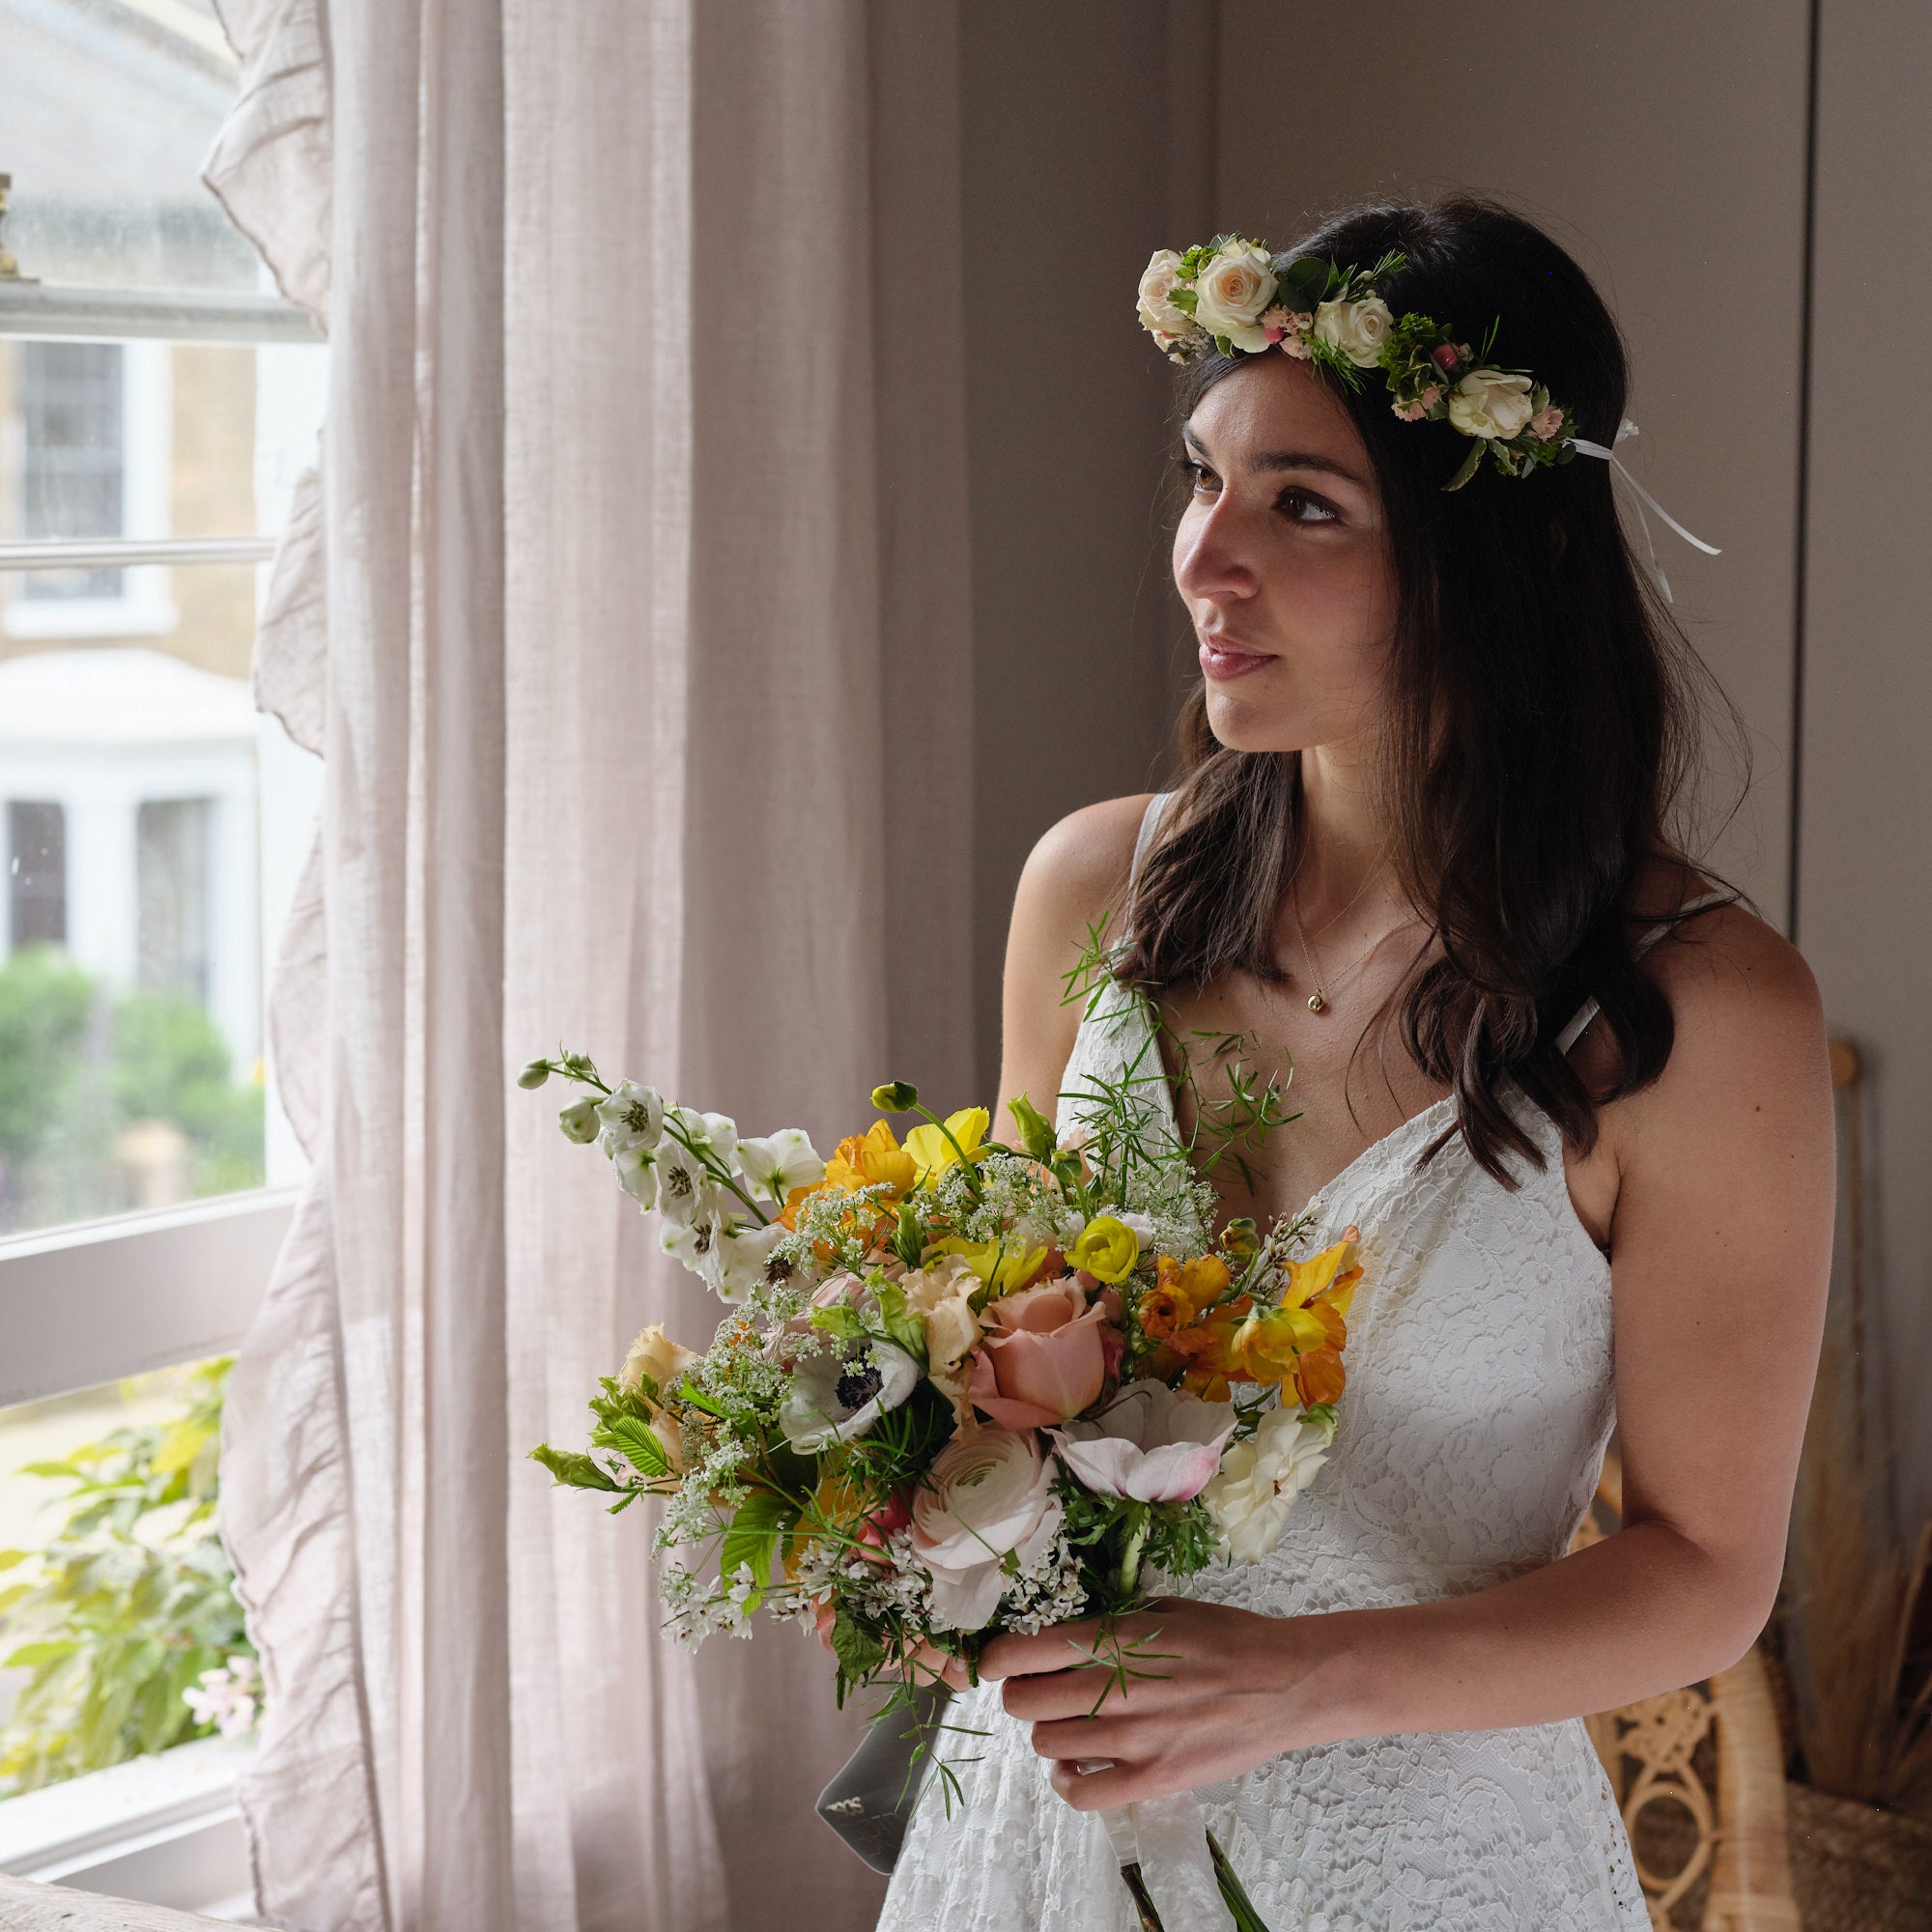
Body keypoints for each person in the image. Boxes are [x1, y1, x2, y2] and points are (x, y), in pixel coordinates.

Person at [872, 194, 1834, 1930]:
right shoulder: (1090, 890)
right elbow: (996, 1356)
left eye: (1301, 506)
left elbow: (1703, 1576)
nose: (1201, 558)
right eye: (1201, 480)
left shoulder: (1700, 1017)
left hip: (1425, 1865)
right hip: (1037, 1836)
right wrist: (902, 1521)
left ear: (1504, 558)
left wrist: (1297, 1683)